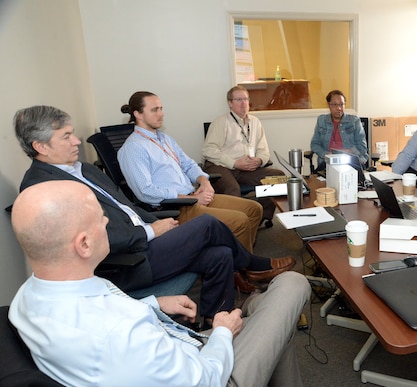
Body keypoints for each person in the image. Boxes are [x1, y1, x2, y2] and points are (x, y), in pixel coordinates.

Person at [8, 180, 332, 387]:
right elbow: (207, 384)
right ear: (83, 244)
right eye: (100, 218)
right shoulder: (119, 332)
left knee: (273, 315)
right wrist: (221, 332)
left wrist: (152, 304)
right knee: (292, 283)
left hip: (171, 360)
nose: (108, 221)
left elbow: (104, 329)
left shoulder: (27, 298)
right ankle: (259, 315)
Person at [15, 105, 296, 324]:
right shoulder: (44, 189)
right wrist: (151, 231)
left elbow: (128, 207)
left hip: (147, 236)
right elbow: (94, 237)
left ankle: (215, 319)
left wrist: (161, 223)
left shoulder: (83, 169)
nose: (77, 141)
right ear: (41, 146)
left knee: (220, 255)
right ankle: (251, 264)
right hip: (125, 263)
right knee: (208, 224)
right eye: (66, 136)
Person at [119, 91, 262, 252]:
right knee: (240, 220)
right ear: (138, 114)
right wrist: (189, 198)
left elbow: (189, 164)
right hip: (176, 208)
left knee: (254, 209)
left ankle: (241, 257)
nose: (161, 114)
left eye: (161, 108)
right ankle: (242, 269)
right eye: (154, 110)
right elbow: (145, 191)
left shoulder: (164, 139)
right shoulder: (133, 148)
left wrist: (204, 181)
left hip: (193, 197)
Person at [202, 86, 284, 222]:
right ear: (230, 103)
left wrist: (259, 160)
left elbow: (264, 150)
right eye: (238, 99)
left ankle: (257, 218)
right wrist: (234, 163)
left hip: (246, 169)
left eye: (245, 99)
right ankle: (235, 226)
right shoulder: (221, 122)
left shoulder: (255, 122)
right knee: (233, 189)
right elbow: (208, 150)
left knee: (278, 177)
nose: (243, 103)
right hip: (222, 166)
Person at [309, 89, 369, 173]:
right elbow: (315, 144)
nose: (339, 108)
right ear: (329, 105)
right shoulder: (322, 120)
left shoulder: (354, 121)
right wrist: (326, 154)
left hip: (350, 162)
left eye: (341, 104)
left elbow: (362, 147)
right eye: (335, 105)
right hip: (327, 163)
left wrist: (346, 152)